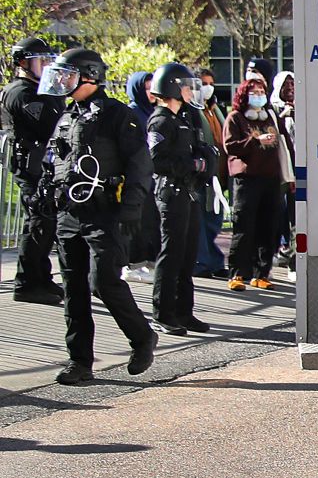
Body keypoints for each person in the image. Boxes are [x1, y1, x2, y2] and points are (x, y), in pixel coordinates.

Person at [40, 48, 157, 384]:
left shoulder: (119, 115)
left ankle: (141, 337)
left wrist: (132, 207)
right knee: (73, 287)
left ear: (90, 76)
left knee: (103, 282)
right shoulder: (68, 115)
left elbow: (139, 164)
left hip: (106, 212)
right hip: (70, 213)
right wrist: (44, 194)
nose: (62, 81)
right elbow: (55, 160)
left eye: (69, 74)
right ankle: (79, 361)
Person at [147, 63, 216, 336]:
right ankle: (163, 313)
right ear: (174, 88)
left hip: (188, 191)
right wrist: (192, 165)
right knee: (171, 254)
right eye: (187, 86)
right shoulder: (161, 120)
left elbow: (202, 149)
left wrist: (203, 164)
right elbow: (157, 160)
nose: (191, 92)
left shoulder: (185, 117)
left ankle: (184, 311)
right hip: (170, 192)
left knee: (187, 255)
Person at [1, 36, 65, 305]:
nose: (47, 66)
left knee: (46, 222)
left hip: (41, 165)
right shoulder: (21, 92)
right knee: (38, 223)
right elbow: (49, 123)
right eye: (42, 61)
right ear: (24, 62)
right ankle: (26, 283)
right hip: (29, 165)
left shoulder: (39, 90)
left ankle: (41, 278)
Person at [223, 77, 292, 291]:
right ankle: (237, 274)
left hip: (270, 179)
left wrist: (290, 175)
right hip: (247, 180)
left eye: (262, 90)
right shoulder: (235, 118)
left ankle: (261, 273)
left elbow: (285, 145)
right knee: (244, 227)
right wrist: (255, 141)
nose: (259, 94)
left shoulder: (270, 116)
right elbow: (230, 146)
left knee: (268, 227)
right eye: (254, 91)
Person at [122, 70, 159, 283]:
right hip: (137, 174)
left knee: (150, 221)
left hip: (151, 174)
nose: (151, 92)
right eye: (146, 88)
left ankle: (147, 260)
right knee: (138, 220)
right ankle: (132, 263)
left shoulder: (151, 111)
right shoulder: (133, 112)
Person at [191, 68, 228, 278]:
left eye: (211, 82)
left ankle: (214, 262)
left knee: (214, 220)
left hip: (219, 175)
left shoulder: (214, 109)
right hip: (203, 175)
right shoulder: (193, 110)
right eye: (203, 82)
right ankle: (202, 262)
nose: (208, 87)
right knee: (202, 220)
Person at [270, 70, 297, 278]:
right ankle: (281, 250)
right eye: (285, 86)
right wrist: (283, 115)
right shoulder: (272, 109)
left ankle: (293, 257)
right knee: (279, 215)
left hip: (299, 169)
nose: (289, 89)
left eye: (292, 85)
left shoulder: (301, 108)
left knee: (297, 215)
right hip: (280, 171)